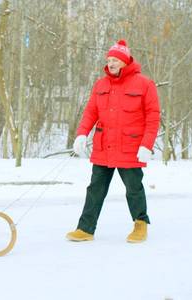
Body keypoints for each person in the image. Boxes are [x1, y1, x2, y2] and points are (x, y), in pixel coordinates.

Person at [66, 39, 160, 243]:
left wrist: (147, 144)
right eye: (109, 59)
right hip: (104, 146)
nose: (111, 63)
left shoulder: (144, 84)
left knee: (133, 189)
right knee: (95, 189)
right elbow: (91, 111)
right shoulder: (101, 84)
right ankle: (85, 228)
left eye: (115, 59)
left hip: (131, 147)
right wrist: (82, 134)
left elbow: (153, 116)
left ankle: (140, 225)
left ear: (125, 61)